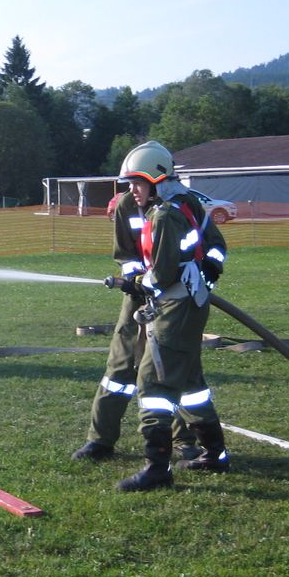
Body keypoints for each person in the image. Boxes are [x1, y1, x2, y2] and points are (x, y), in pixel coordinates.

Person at [101, 142, 230, 492]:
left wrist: (138, 284)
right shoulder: (180, 204)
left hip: (175, 307)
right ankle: (215, 454)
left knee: (154, 383)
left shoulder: (165, 215)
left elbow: (164, 272)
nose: (132, 191)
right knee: (190, 385)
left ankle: (157, 468)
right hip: (187, 303)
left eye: (137, 183)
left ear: (156, 180)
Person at [71, 185, 201, 465]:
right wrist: (135, 280)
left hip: (176, 301)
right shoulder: (126, 205)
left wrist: (205, 276)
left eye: (138, 181)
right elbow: (125, 254)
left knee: (170, 369)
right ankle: (100, 440)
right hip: (138, 297)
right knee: (120, 366)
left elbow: (212, 247)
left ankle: (184, 440)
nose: (131, 189)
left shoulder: (183, 203)